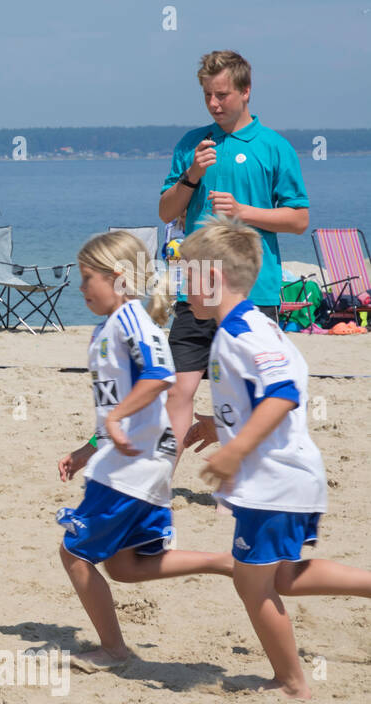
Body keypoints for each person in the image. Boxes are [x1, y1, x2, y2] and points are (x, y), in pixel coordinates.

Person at [182, 217, 371, 699]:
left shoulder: (246, 332)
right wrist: (215, 424)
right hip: (278, 480)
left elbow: (282, 394)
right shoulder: (242, 328)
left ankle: (291, 683)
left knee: (252, 585)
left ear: (213, 278)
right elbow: (255, 397)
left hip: (275, 480)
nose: (183, 287)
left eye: (188, 275)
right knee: (282, 576)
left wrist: (237, 450)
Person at [57, 231, 233, 673]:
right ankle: (223, 562)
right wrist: (89, 446)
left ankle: (114, 650)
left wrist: (114, 424)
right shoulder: (110, 325)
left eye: (86, 278)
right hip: (129, 457)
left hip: (134, 463)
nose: (80, 288)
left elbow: (159, 375)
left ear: (117, 277)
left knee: (73, 553)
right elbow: (117, 405)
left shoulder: (133, 318)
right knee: (125, 564)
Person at [158, 49, 309, 472]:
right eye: (207, 95)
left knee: (249, 394)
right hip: (197, 289)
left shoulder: (274, 147)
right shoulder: (192, 144)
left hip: (251, 292)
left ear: (245, 91)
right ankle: (159, 483)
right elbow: (166, 213)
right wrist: (191, 177)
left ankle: (247, 477)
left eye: (222, 94)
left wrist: (244, 212)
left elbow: (299, 219)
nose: (213, 104)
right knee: (177, 390)